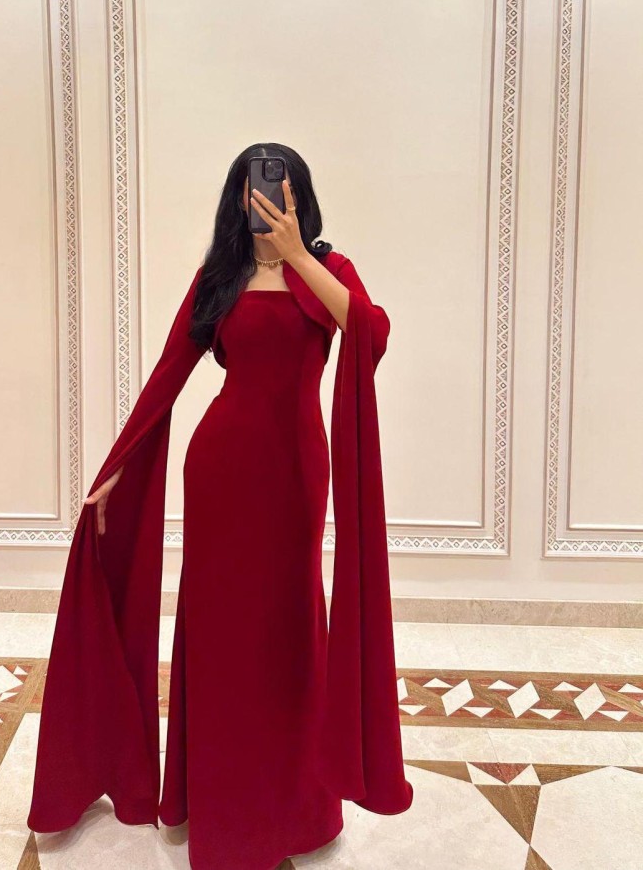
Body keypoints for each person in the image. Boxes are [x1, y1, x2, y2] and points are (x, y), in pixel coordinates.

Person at [26, 143, 414, 869]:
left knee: (291, 628)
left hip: (296, 475)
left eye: (281, 187)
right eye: (255, 187)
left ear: (299, 196)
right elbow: (170, 371)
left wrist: (295, 255)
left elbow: (372, 330)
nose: (267, 198)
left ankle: (297, 809)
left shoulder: (330, 269)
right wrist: (117, 468)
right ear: (238, 197)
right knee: (220, 631)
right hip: (221, 472)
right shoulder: (219, 277)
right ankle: (218, 804)